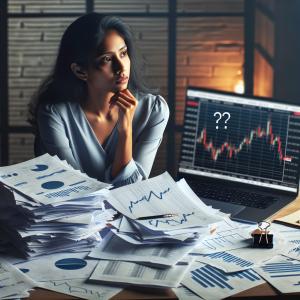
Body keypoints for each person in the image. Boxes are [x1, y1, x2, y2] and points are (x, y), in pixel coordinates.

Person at [27, 13, 169, 188]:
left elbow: (130, 189)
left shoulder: (154, 110)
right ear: (80, 71)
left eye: (123, 53)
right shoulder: (55, 115)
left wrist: (125, 131)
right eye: (107, 59)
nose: (121, 67)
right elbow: (73, 189)